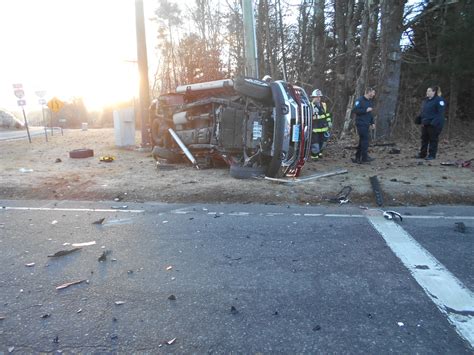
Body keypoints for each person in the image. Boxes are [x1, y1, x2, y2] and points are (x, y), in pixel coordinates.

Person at [416, 86, 445, 160]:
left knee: (433, 140)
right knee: (424, 139)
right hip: (425, 123)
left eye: (429, 91)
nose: (427, 92)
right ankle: (422, 154)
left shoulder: (439, 100)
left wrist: (434, 123)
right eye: (427, 91)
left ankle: (432, 155)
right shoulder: (426, 100)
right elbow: (423, 111)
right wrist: (419, 119)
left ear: (434, 92)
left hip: (434, 124)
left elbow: (440, 113)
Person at [352, 87, 376, 164]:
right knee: (365, 140)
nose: (374, 94)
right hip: (360, 123)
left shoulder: (370, 101)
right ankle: (364, 157)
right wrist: (365, 110)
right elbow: (355, 110)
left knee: (362, 141)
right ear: (368, 92)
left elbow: (370, 113)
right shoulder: (359, 100)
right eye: (373, 92)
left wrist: (372, 123)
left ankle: (357, 157)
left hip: (366, 123)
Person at [310, 89, 332, 160]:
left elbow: (327, 114)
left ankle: (319, 153)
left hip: (323, 128)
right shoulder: (310, 106)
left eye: (319, 97)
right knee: (315, 144)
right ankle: (314, 156)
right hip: (315, 129)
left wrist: (329, 122)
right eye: (317, 97)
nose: (318, 98)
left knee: (323, 143)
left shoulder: (324, 105)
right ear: (313, 97)